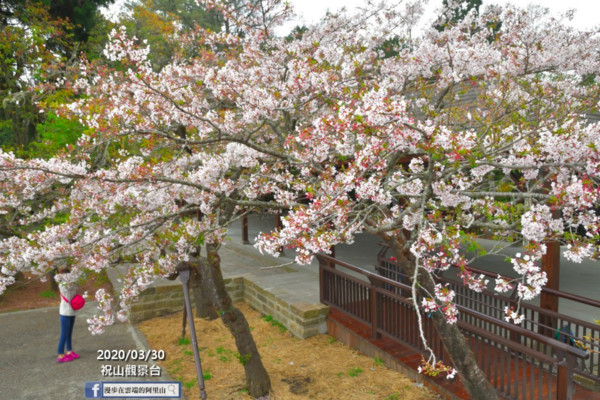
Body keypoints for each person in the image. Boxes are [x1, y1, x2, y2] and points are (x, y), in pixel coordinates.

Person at [56, 267, 81, 363]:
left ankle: (69, 351)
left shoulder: (66, 283)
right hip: (66, 311)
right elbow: (72, 287)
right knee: (64, 334)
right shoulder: (66, 284)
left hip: (69, 310)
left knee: (68, 333)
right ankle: (60, 354)